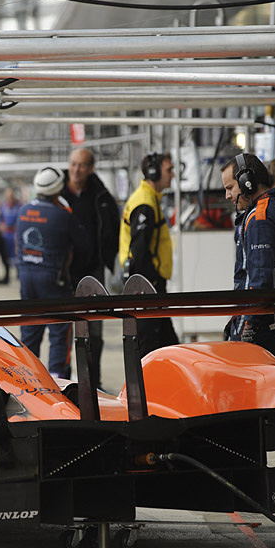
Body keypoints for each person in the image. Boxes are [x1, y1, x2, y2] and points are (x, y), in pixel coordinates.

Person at [220, 153, 275, 364]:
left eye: (230, 187)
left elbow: (260, 282)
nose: (227, 196)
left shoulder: (260, 217)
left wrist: (244, 329)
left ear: (247, 182)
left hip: (267, 330)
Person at [16, 167, 88, 379]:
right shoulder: (63, 215)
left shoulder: (23, 211)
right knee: (58, 332)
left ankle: (28, 378)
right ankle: (58, 381)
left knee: (29, 331)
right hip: (54, 280)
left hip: (27, 278)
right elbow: (83, 244)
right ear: (58, 187)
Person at [60, 147, 120, 389]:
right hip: (63, 272)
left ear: (91, 168)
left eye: (82, 165)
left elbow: (113, 227)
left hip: (93, 270)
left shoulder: (101, 195)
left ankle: (93, 383)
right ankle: (62, 382)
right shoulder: (58, 192)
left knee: (94, 329)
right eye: (73, 164)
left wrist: (108, 257)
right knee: (61, 330)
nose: (76, 169)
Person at [119, 152, 179, 357]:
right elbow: (140, 249)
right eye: (169, 170)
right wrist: (150, 281)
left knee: (167, 345)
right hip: (147, 287)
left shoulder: (150, 199)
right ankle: (144, 388)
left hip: (150, 286)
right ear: (153, 172)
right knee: (149, 347)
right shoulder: (144, 203)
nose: (173, 174)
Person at [0, 188, 21, 281]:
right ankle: (7, 275)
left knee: (17, 254)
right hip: (5, 235)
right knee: (5, 255)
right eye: (8, 196)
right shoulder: (2, 206)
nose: (10, 198)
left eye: (11, 196)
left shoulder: (19, 206)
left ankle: (19, 273)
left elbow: (21, 218)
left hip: (15, 234)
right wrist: (0, 225)